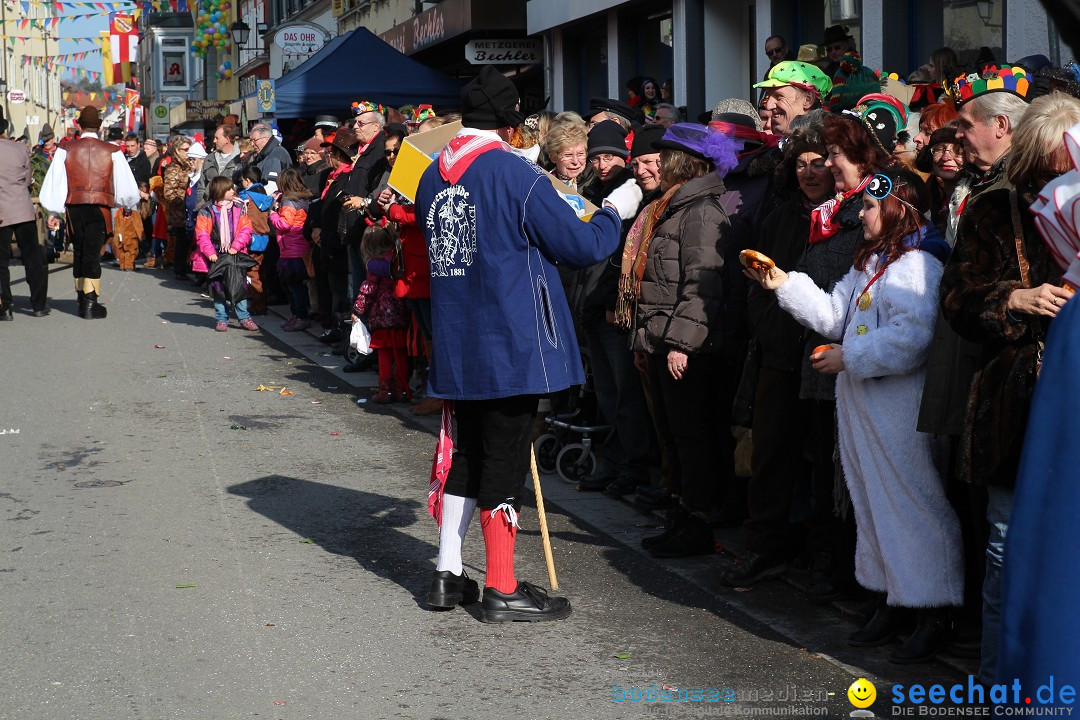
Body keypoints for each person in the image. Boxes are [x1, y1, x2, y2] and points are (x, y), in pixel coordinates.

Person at [414, 64, 621, 622]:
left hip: (458, 339)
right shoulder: (515, 174)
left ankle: (447, 572)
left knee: (467, 455)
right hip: (512, 339)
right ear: (510, 124)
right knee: (503, 459)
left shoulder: (432, 175)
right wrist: (610, 218)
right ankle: (501, 587)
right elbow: (578, 245)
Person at [748, 166, 963, 664]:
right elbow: (831, 315)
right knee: (872, 499)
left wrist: (852, 356)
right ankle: (892, 596)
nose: (860, 213)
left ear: (893, 208)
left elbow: (914, 338)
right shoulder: (872, 264)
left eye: (868, 206)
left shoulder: (917, 266)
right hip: (866, 407)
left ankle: (934, 607)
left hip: (899, 408)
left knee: (912, 501)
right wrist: (782, 283)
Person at [940, 91, 1080, 685]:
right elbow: (955, 301)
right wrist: (1014, 298)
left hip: (1071, 398)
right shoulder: (995, 211)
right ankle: (1003, 686)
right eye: (1052, 165)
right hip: (1013, 406)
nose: (1061, 178)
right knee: (1007, 555)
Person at [722, 123, 835, 587]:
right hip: (779, 354)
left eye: (818, 163)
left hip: (827, 357)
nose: (809, 173)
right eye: (801, 164)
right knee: (770, 456)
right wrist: (768, 332)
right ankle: (764, 547)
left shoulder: (849, 216)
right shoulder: (781, 214)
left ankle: (824, 558)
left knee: (827, 462)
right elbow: (757, 281)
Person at [630, 123, 740, 558]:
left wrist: (682, 344)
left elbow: (702, 283)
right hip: (661, 339)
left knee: (692, 435)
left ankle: (697, 520)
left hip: (685, 345)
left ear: (682, 163)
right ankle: (681, 513)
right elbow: (655, 282)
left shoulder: (702, 211)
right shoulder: (673, 207)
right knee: (674, 436)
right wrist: (646, 342)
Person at [39, 106, 139, 319]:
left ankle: (82, 299)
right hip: (100, 207)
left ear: (79, 125)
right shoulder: (112, 151)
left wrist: (54, 211)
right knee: (93, 252)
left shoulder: (65, 149)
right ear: (100, 126)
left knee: (80, 251)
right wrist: (126, 203)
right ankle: (90, 302)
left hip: (74, 206)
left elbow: (57, 183)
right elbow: (126, 188)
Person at [0, 107, 49, 319]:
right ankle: (38, 304)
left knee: (1, 262)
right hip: (22, 208)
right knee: (32, 257)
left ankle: (6, 306)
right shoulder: (18, 148)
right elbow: (28, 179)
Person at [353, 224, 410, 402]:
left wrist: (357, 309)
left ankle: (386, 389)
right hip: (400, 310)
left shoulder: (373, 266)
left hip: (381, 314)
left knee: (384, 353)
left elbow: (368, 290)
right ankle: (402, 388)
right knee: (400, 352)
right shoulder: (397, 260)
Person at [194, 175, 257, 332]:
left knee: (239, 285)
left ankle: (244, 317)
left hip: (235, 252)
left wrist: (236, 245)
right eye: (229, 189)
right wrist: (209, 252)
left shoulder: (239, 207)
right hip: (216, 253)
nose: (232, 191)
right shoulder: (207, 209)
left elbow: (246, 229)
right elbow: (201, 234)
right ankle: (221, 318)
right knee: (218, 287)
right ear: (220, 190)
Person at [270, 167, 314, 331]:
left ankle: (300, 316)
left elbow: (285, 224)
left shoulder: (288, 203)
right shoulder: (304, 199)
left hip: (292, 249)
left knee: (293, 286)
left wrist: (273, 214)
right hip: (301, 247)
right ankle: (298, 315)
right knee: (297, 285)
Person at [754, 61, 833, 136]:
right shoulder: (778, 145)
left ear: (808, 99)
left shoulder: (826, 146)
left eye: (779, 97)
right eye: (768, 96)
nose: (768, 105)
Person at [161, 134, 193, 278]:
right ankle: (179, 269)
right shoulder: (173, 168)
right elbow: (168, 192)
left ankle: (188, 266)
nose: (188, 152)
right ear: (177, 150)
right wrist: (181, 201)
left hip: (189, 209)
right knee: (181, 240)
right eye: (185, 149)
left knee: (189, 239)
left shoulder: (189, 166)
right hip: (179, 211)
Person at [112, 184, 149, 272]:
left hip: (124, 236)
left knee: (125, 252)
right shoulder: (125, 215)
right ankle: (127, 266)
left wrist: (117, 236)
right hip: (130, 237)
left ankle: (125, 265)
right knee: (129, 252)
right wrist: (141, 236)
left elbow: (117, 227)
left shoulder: (121, 214)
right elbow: (138, 226)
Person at [248, 123, 292, 187]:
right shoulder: (262, 155)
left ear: (266, 139)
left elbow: (271, 186)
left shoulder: (276, 154)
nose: (252, 144)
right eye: (251, 140)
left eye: (254, 140)